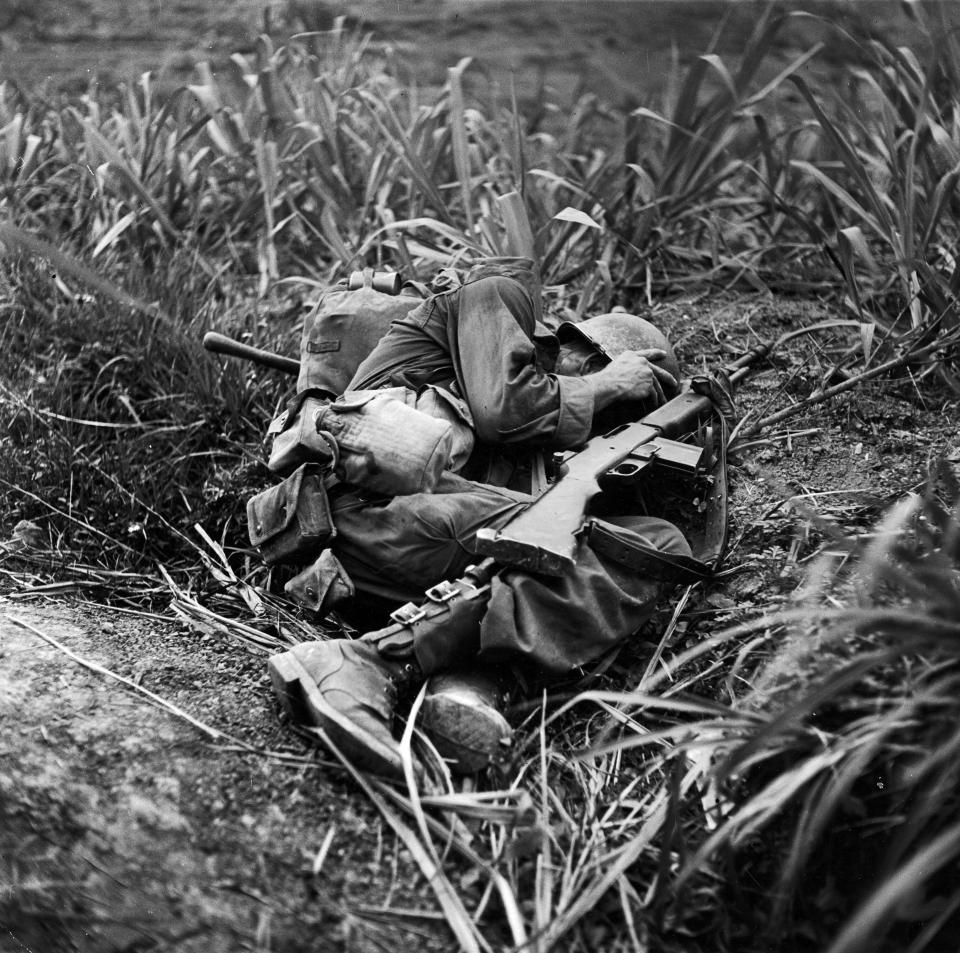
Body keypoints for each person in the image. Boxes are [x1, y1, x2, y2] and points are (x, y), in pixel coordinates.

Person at [267, 257, 693, 777]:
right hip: (361, 509)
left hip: (390, 572)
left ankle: (453, 689)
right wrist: (613, 384)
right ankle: (368, 661)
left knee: (637, 547)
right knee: (649, 544)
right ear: (581, 347)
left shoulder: (544, 458)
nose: (619, 413)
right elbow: (502, 408)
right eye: (637, 391)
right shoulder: (495, 296)